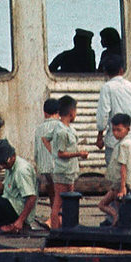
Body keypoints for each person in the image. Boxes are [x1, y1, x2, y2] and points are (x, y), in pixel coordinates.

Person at [95, 54, 131, 164]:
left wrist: (100, 137)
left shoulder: (107, 88)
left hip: (113, 140)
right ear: (121, 70)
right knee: (127, 173)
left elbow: (103, 115)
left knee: (114, 175)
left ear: (105, 72)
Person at [49, 96, 88, 229]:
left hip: (70, 172)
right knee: (58, 203)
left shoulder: (70, 129)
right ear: (71, 111)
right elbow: (61, 153)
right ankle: (55, 232)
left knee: (69, 203)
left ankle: (66, 228)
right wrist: (78, 154)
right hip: (62, 172)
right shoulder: (61, 131)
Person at [98, 113, 131, 227]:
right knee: (118, 207)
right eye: (113, 130)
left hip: (119, 184)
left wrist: (122, 187)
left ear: (127, 129)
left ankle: (116, 218)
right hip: (117, 184)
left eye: (119, 130)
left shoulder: (124, 144)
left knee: (103, 204)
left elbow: (123, 167)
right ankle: (117, 221)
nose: (115, 133)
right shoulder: (122, 143)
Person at [33, 96, 62, 225]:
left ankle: (54, 217)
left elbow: (36, 151)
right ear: (59, 112)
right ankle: (56, 218)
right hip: (58, 166)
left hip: (44, 167)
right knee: (60, 194)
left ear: (45, 113)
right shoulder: (60, 126)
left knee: (52, 193)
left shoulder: (39, 129)